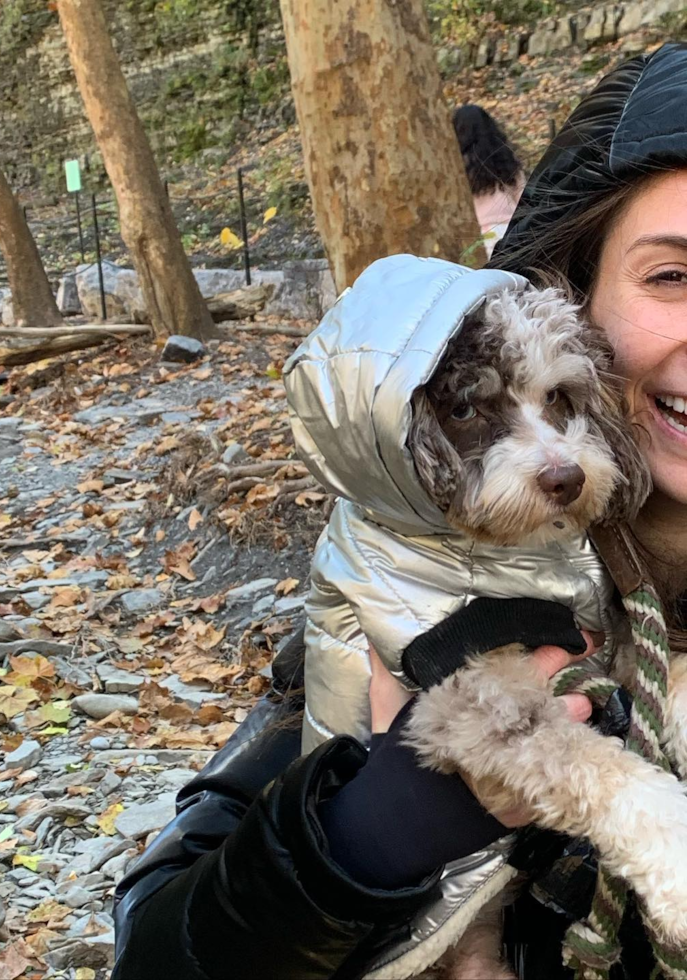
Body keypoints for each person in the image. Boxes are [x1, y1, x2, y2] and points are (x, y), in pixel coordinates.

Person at [112, 43, 687, 980]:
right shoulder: (411, 581)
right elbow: (155, 960)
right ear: (572, 296)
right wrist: (348, 849)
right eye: (673, 275)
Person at [453, 104, 526, 257]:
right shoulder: (506, 160)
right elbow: (524, 200)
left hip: (477, 238)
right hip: (512, 234)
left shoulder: (455, 168)